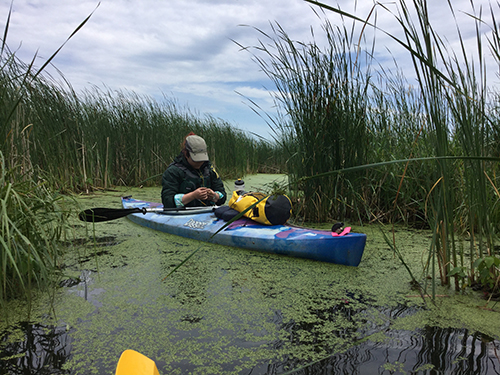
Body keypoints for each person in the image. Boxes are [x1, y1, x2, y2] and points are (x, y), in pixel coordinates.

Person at [161, 133, 227, 209]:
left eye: (202, 159)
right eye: (196, 159)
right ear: (186, 154)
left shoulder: (209, 169)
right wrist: (193, 196)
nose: (200, 162)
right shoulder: (173, 171)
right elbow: (167, 202)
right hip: (182, 215)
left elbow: (222, 196)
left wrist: (214, 196)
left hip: (208, 214)